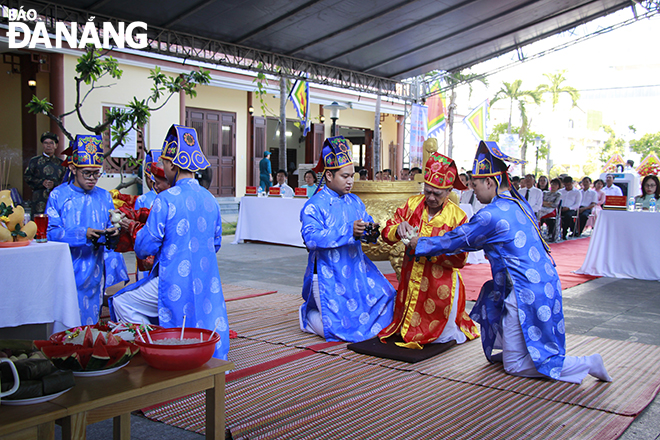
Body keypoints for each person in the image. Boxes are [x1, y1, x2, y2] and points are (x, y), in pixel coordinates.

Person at [409, 141, 611, 384]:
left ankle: (586, 363)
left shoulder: (491, 214)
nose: (474, 192)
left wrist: (418, 243)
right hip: (542, 282)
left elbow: (459, 239)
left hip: (525, 290)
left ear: (490, 183)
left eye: (475, 186)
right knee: (505, 322)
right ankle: (524, 352)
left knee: (514, 365)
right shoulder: (517, 203)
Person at [109, 125, 229, 359]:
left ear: (173, 165)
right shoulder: (211, 200)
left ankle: (156, 346)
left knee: (121, 302)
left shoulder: (165, 199)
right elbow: (216, 243)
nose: (162, 169)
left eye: (163, 164)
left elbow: (144, 247)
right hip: (205, 281)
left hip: (173, 279)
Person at [299, 136, 395, 342]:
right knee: (336, 331)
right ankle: (307, 316)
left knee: (388, 298)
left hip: (357, 269)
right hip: (328, 274)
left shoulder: (355, 201)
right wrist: (348, 231)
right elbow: (311, 239)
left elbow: (366, 229)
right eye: (344, 176)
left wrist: (370, 230)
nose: (350, 181)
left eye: (352, 176)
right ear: (329, 176)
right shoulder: (314, 205)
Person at [378, 152, 479, 349]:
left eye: (437, 193)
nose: (431, 197)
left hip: (440, 282)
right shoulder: (412, 204)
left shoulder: (457, 217)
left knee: (441, 335)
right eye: (428, 191)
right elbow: (387, 230)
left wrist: (426, 247)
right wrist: (398, 229)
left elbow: (460, 258)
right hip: (410, 276)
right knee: (405, 327)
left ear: (449, 190)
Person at [46, 134, 128, 325]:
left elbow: (110, 226)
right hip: (66, 268)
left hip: (94, 268)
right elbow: (51, 232)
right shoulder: (58, 195)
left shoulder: (104, 196)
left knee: (90, 322)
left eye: (96, 173)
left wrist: (114, 231)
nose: (93, 179)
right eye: (87, 173)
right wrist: (83, 234)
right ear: (73, 168)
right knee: (65, 321)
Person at [24, 131, 66, 218]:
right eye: (46, 143)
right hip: (39, 199)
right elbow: (27, 177)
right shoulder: (34, 161)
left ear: (56, 146)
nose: (48, 145)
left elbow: (66, 181)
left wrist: (54, 184)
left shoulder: (61, 163)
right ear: (42, 145)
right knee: (38, 224)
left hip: (56, 199)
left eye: (51, 143)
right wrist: (41, 183)